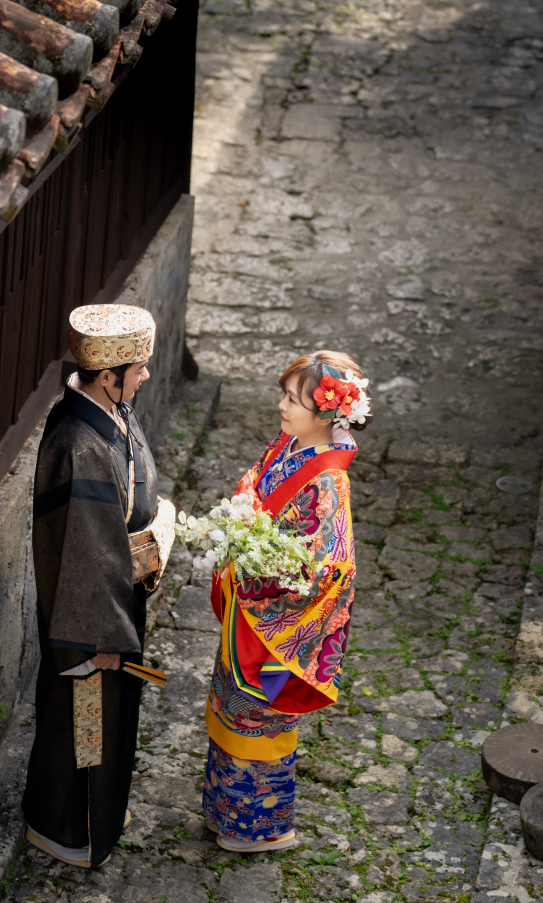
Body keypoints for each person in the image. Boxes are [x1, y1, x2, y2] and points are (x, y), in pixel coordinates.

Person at [202, 349, 374, 852]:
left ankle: (263, 827)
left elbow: (325, 570)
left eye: (294, 400)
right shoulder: (289, 446)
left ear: (328, 412)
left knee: (261, 717)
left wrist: (255, 568)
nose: (282, 405)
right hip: (249, 613)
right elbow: (254, 492)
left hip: (277, 627)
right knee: (232, 708)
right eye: (284, 394)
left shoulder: (328, 482)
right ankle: (227, 815)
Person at [22, 304, 173, 870]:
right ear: (106, 375)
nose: (145, 376)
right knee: (86, 723)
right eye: (137, 368)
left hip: (114, 597)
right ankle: (69, 827)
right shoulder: (78, 442)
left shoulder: (108, 409)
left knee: (111, 719)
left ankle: (95, 813)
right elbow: (84, 551)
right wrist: (106, 637)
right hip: (88, 618)